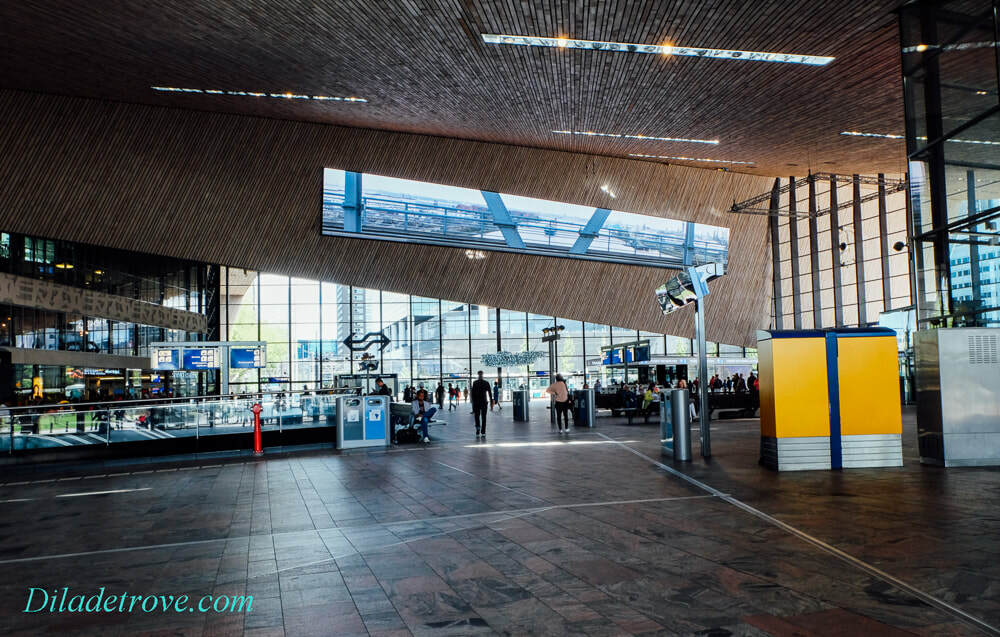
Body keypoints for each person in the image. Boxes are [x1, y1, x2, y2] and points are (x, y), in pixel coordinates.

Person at [470, 371, 492, 438]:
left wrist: (473, 403)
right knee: (483, 417)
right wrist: (491, 401)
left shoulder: (475, 383)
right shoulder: (486, 383)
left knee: (477, 417)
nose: (480, 375)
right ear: (482, 375)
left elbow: (472, 394)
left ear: (478, 375)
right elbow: (490, 393)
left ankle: (478, 430)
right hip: (483, 402)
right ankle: (483, 431)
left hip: (477, 403)